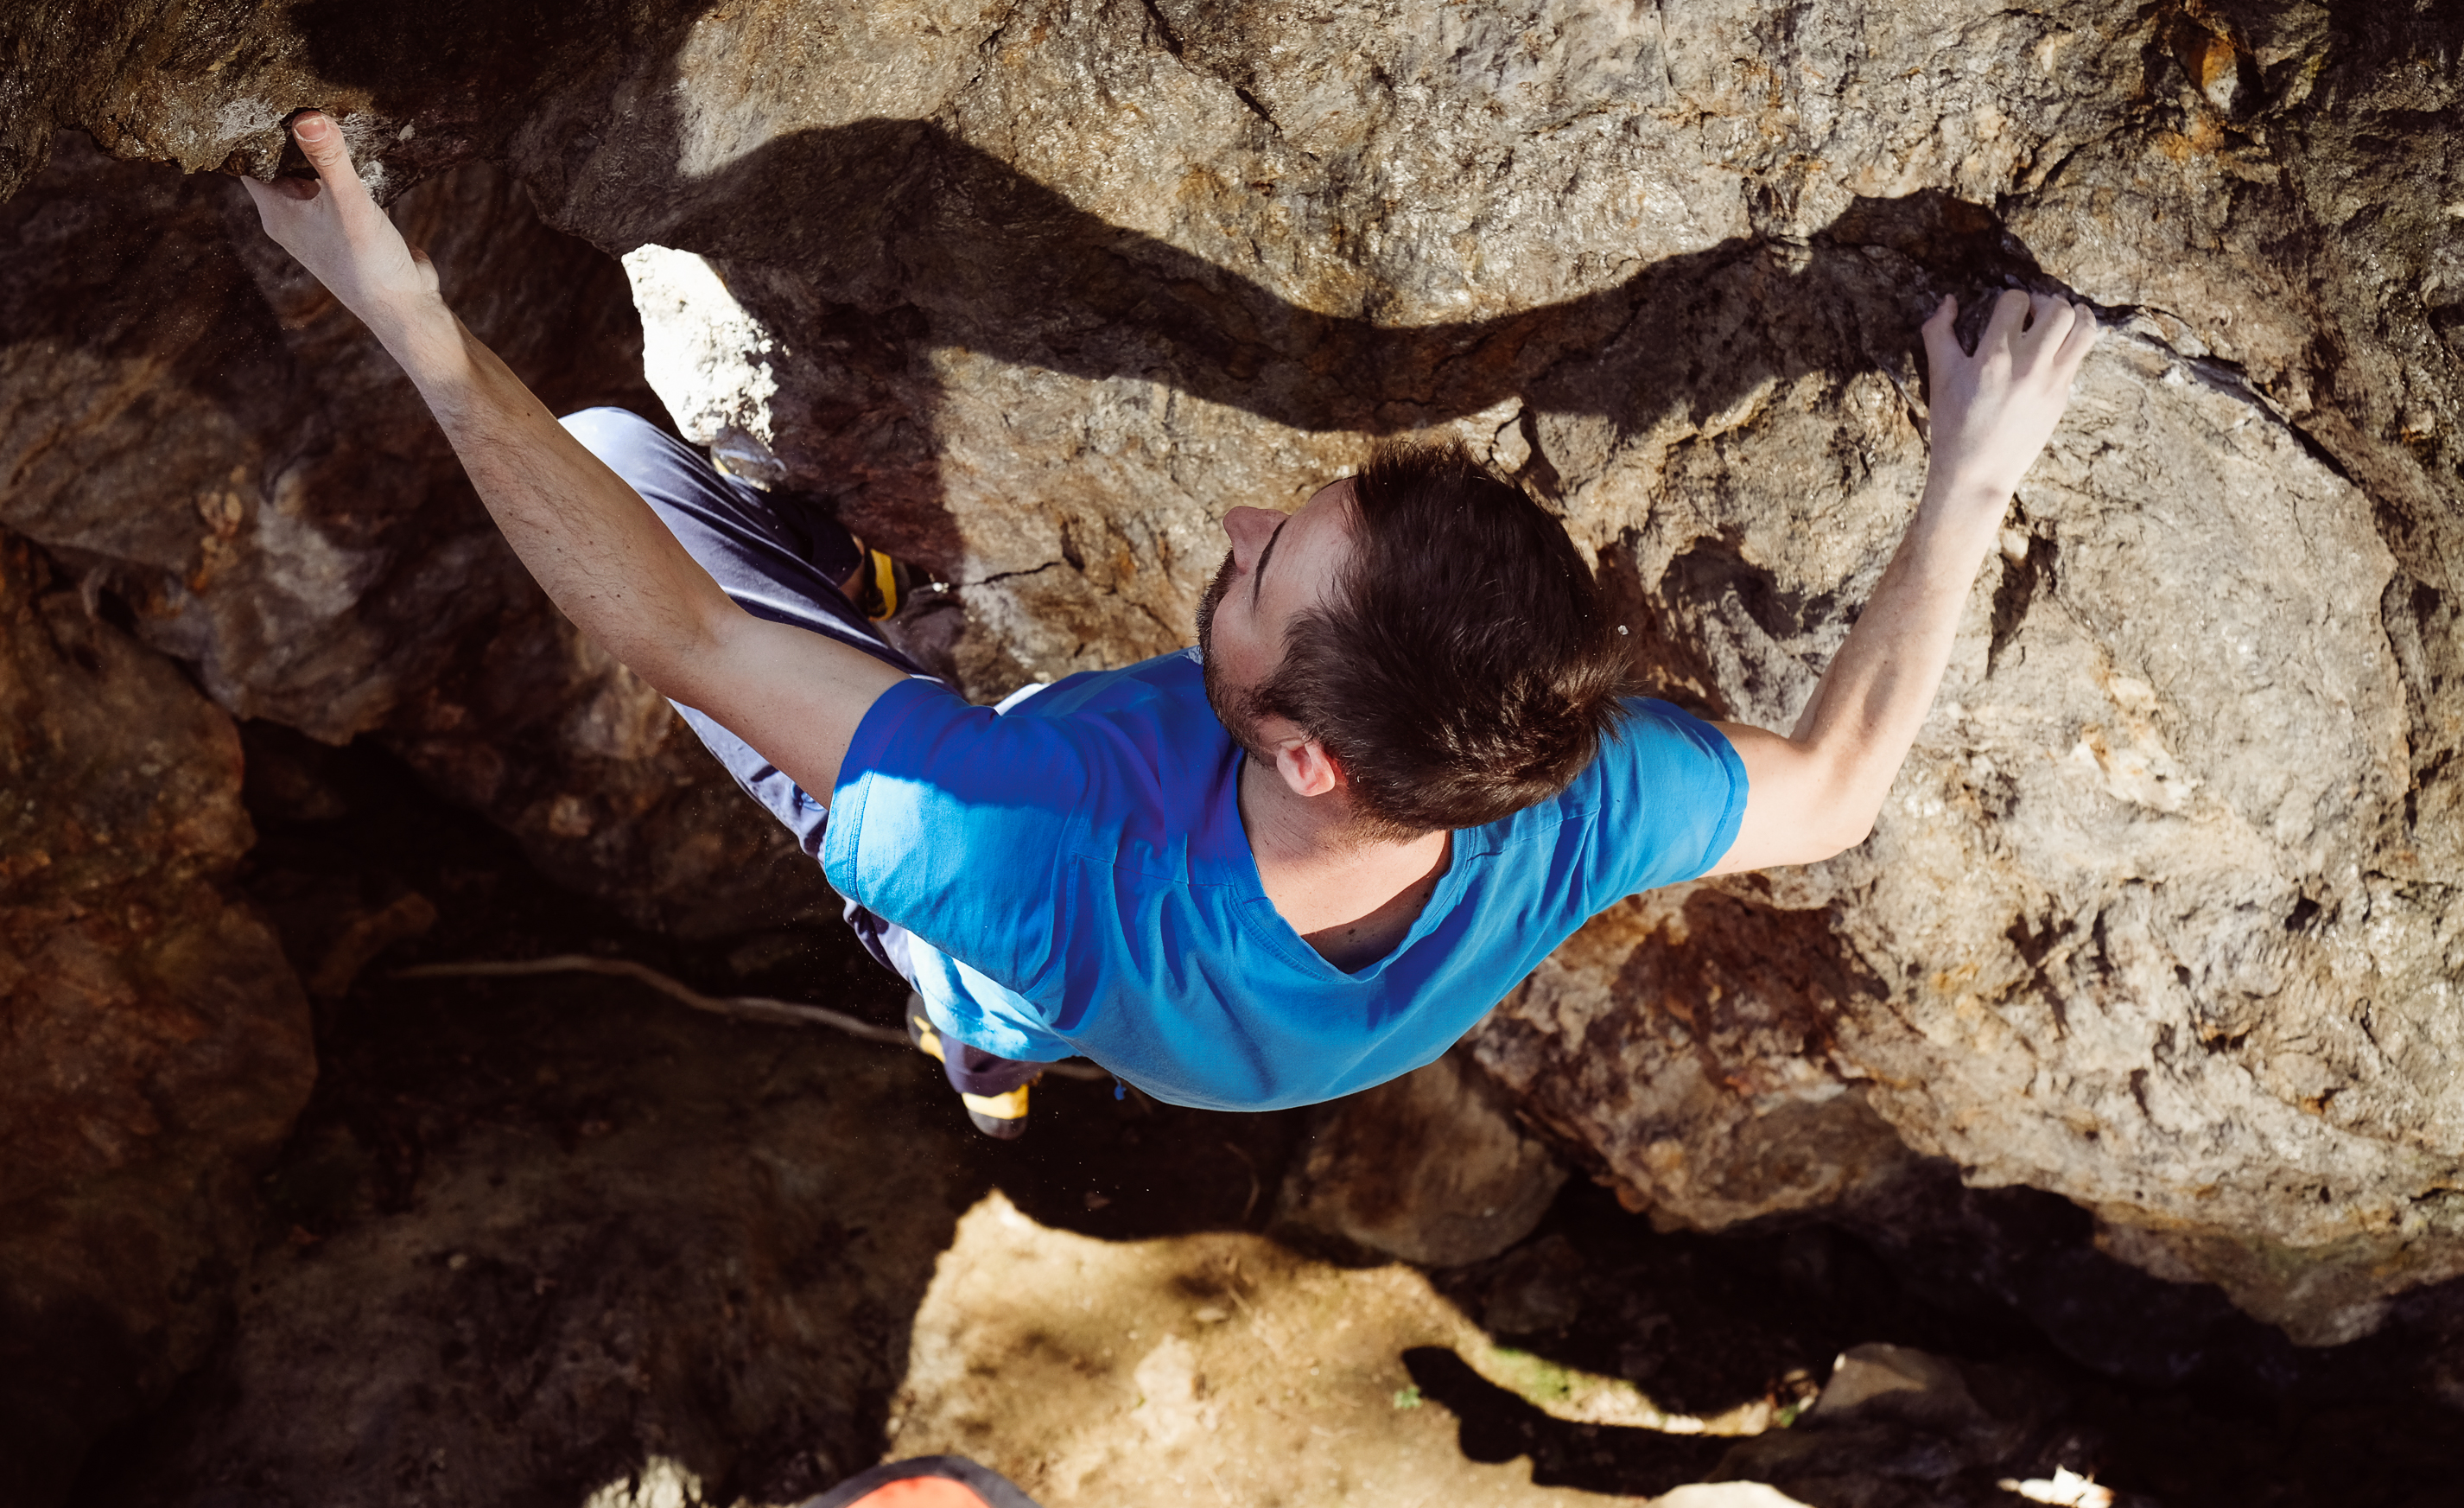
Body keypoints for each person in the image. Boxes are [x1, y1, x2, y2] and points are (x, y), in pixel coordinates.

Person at [243, 111, 2094, 1137]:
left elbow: (682, 639)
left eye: (1263, 571)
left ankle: (969, 1030)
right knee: (1005, 978)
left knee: (616, 469)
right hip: (1222, 1034)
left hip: (1018, 929)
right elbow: (1837, 790)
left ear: (1307, 751)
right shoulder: (1571, 790)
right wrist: (1973, 478)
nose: (1234, 521)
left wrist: (409, 322)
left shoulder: (1038, 852)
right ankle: (995, 1058)